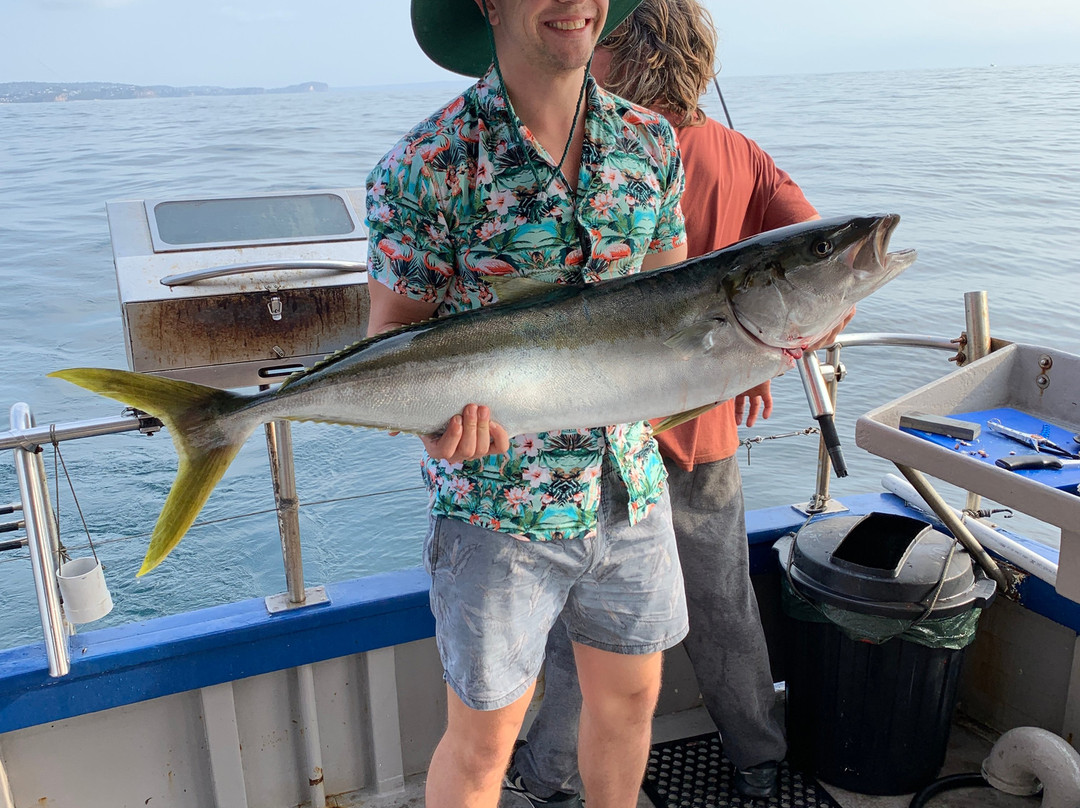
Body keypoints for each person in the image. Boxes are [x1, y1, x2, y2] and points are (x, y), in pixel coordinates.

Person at [364, 2, 693, 807]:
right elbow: (395, 344)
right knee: (483, 745)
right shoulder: (428, 163)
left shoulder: (651, 145)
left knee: (630, 702)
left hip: (629, 487)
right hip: (495, 507)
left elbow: (678, 300)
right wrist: (437, 428)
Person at [505, 0, 828, 804]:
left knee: (582, 632)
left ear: (633, 54)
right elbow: (825, 276)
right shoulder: (741, 154)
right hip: (705, 431)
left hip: (598, 441)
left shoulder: (600, 152)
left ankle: (548, 777)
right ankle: (758, 759)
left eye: (608, 43)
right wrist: (764, 359)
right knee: (727, 611)